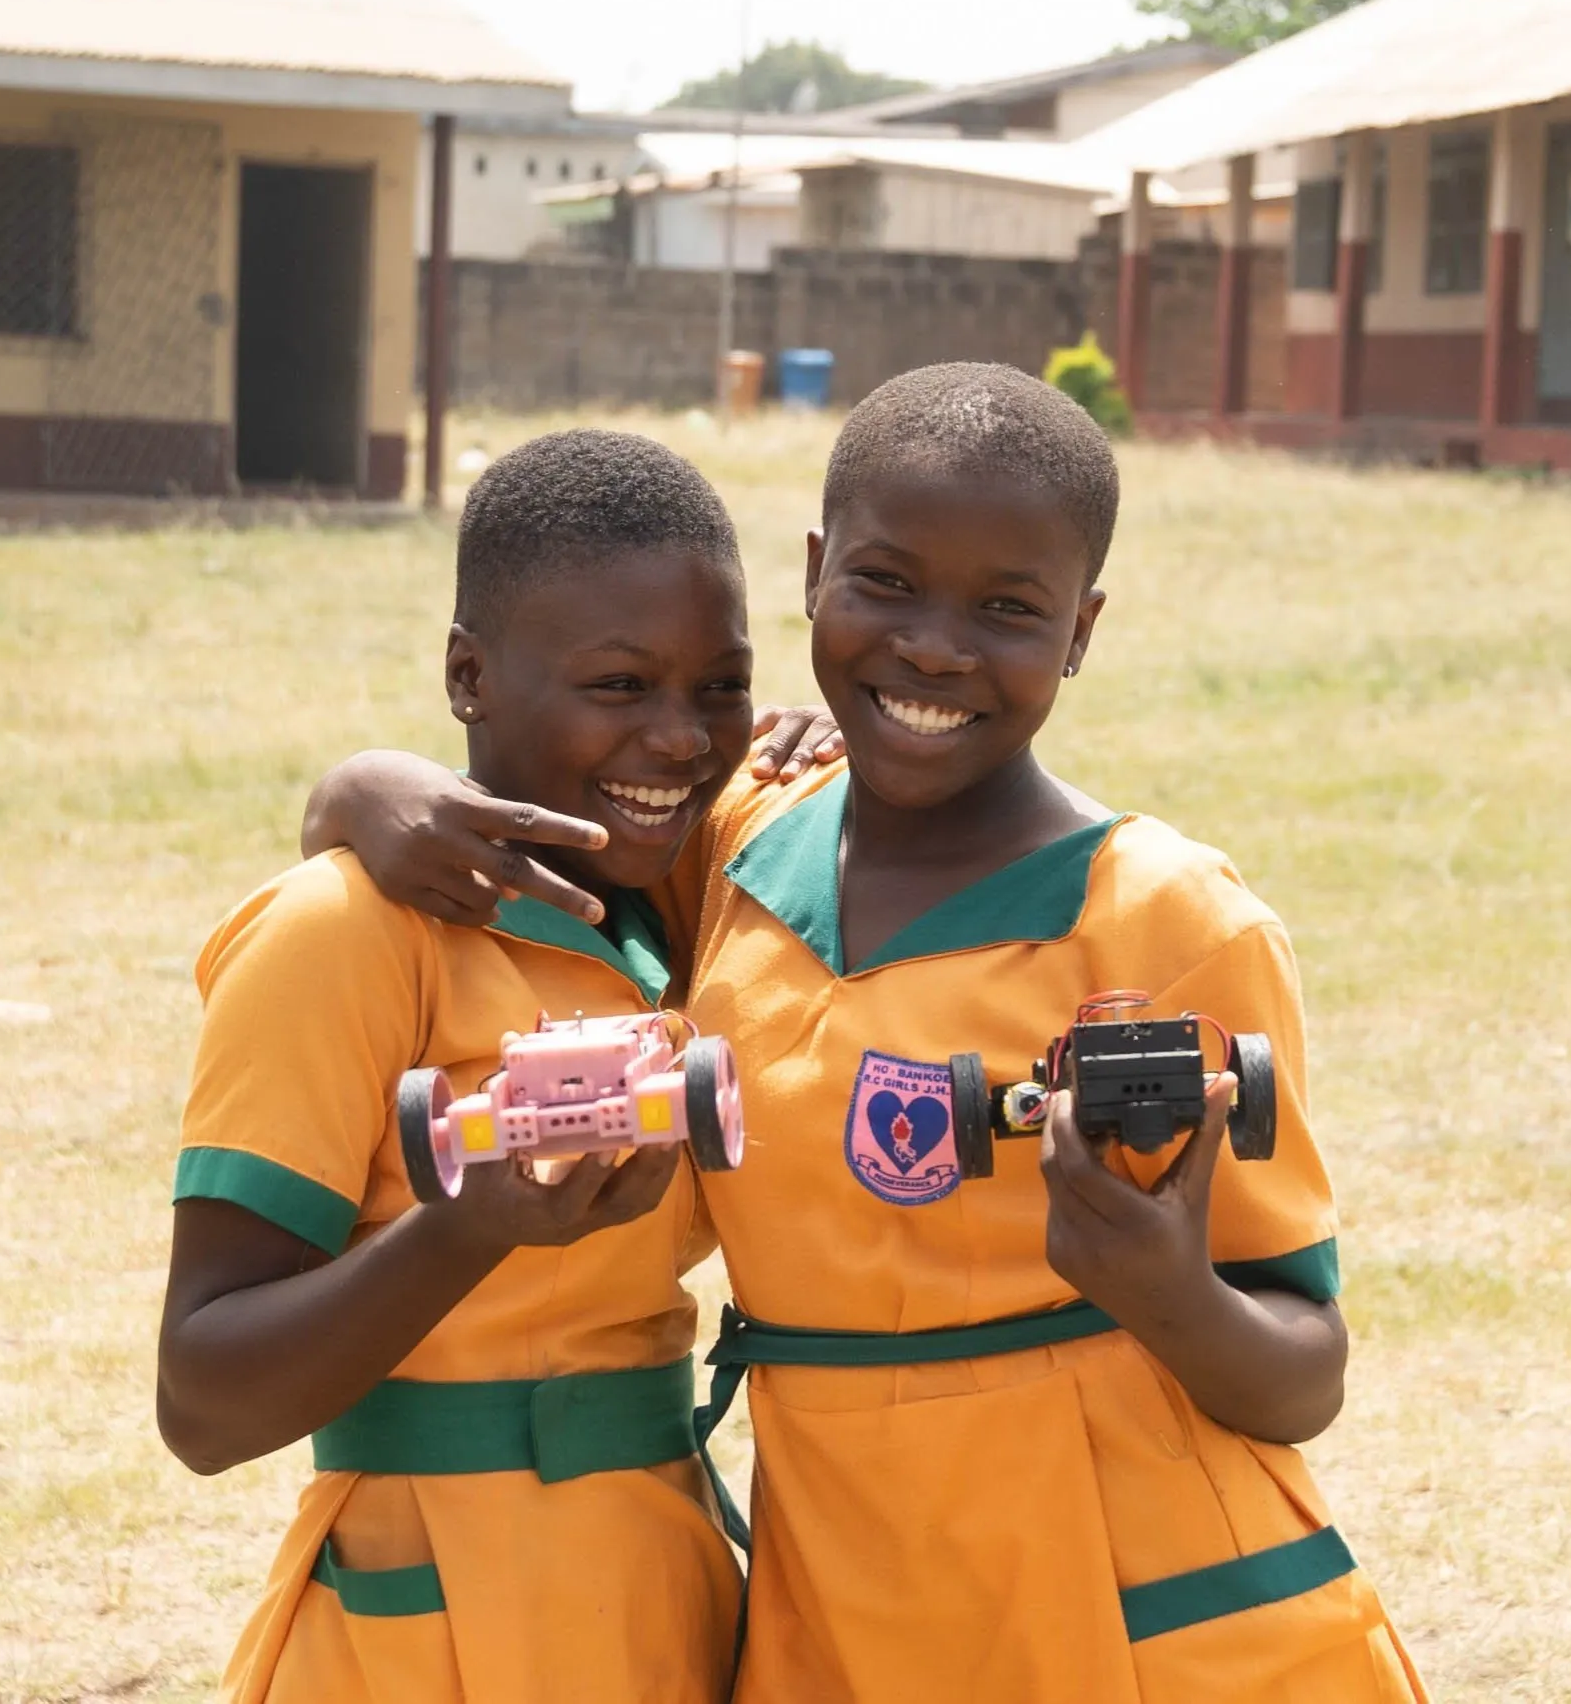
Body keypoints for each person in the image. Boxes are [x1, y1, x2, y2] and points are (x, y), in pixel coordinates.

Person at [314, 367, 1424, 1701]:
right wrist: (359, 789)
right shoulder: (731, 847)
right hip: (834, 1612)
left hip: (1143, 1606)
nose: (936, 646)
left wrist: (1167, 1290)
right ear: (811, 574)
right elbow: (499, 807)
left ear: (1079, 630)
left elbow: (1304, 1368)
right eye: (887, 582)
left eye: (1007, 609)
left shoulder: (1168, 919)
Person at [157, 428, 757, 1704]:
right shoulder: (343, 934)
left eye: (720, 686)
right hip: (430, 1620)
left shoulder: (696, 901)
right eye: (618, 685)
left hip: (662, 1590)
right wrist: (467, 1228)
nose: (680, 740)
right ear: (468, 674)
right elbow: (202, 1399)